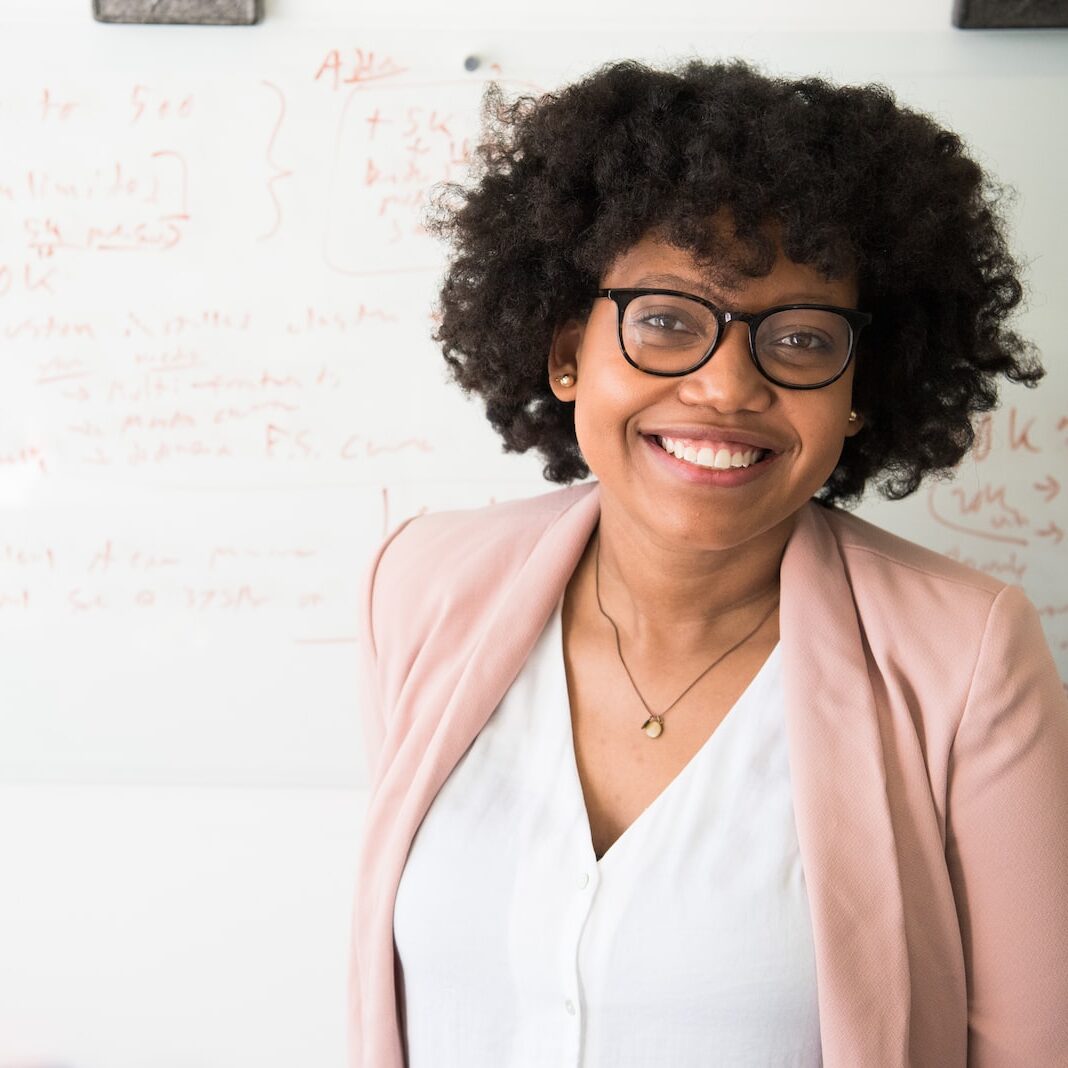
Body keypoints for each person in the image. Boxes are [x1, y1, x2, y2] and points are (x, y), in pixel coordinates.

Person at [348, 60, 1068, 1067]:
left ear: (861, 389)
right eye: (668, 321)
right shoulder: (423, 586)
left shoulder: (967, 656)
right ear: (567, 352)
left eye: (803, 338)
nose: (726, 386)